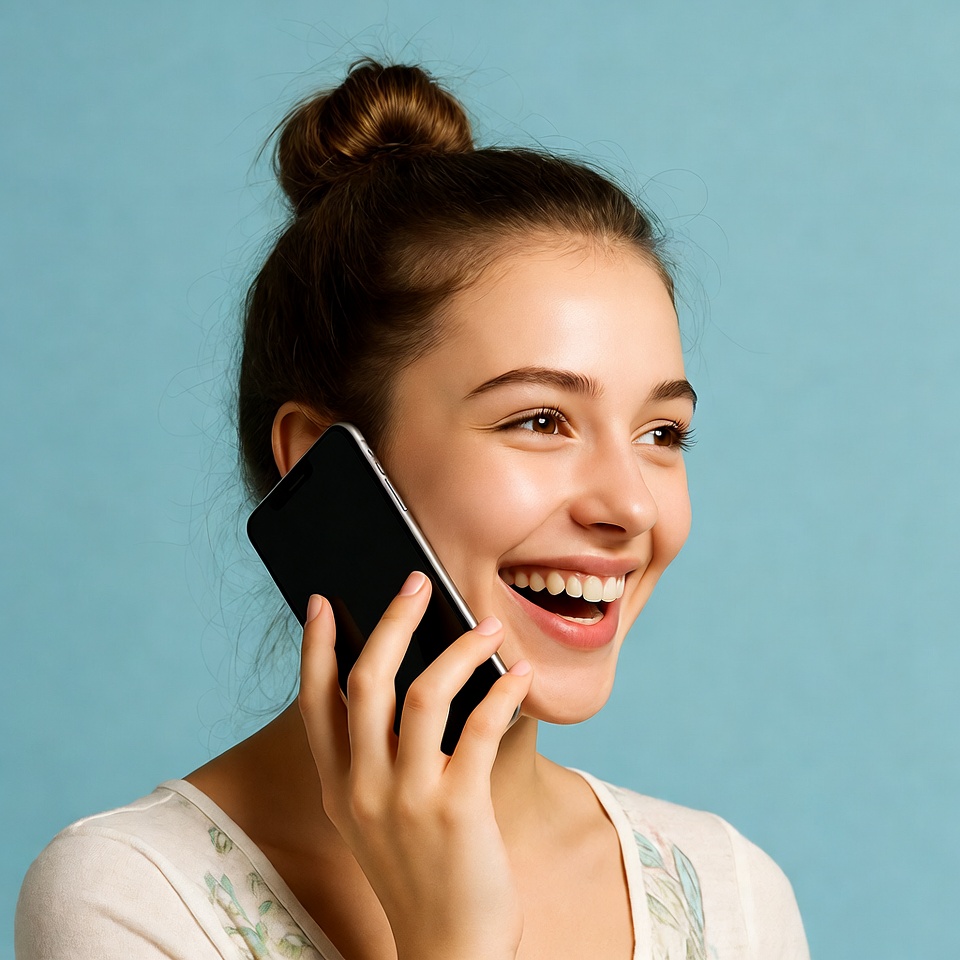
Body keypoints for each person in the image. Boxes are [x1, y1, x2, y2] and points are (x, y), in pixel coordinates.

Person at [16, 60, 809, 960]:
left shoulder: (731, 890)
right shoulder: (127, 897)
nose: (630, 504)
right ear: (323, 463)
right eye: (541, 420)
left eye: (663, 433)